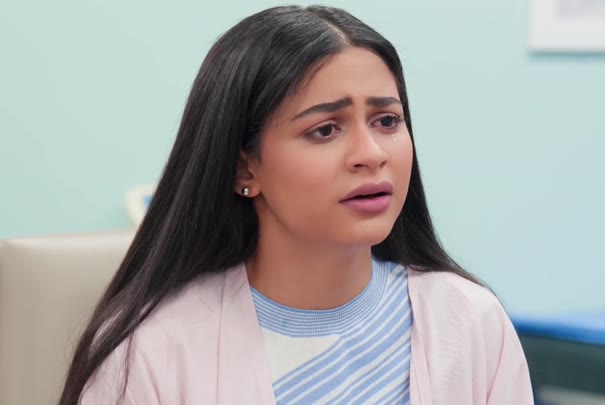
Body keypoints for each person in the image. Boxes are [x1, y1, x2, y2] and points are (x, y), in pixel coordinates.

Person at [59, 5, 533, 405]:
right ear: (244, 169)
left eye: (387, 121)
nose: (372, 154)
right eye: (325, 130)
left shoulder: (470, 322)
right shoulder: (149, 351)